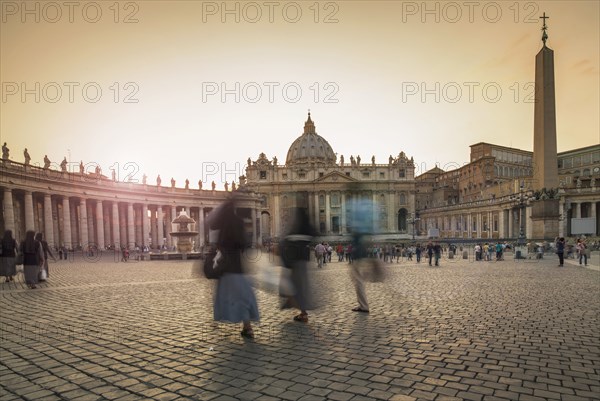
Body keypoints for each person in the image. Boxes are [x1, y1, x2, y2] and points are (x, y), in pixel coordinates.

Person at [209, 198, 259, 338]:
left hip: (226, 266)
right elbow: (244, 243)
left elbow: (212, 227)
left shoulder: (222, 224)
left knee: (227, 297)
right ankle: (247, 326)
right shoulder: (238, 222)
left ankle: (222, 322)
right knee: (242, 296)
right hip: (238, 265)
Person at [279, 207, 316, 323]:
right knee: (299, 286)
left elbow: (283, 243)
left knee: (294, 286)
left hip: (293, 261)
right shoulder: (307, 229)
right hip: (302, 261)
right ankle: (299, 309)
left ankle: (302, 312)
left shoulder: (294, 229)